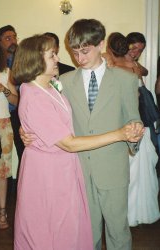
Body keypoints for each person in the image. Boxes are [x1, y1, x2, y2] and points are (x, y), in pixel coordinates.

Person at [12, 34, 143, 250]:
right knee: (51, 229)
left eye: (84, 50)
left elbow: (54, 118)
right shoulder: (49, 87)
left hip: (79, 169)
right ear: (36, 59)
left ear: (100, 45)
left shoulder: (54, 85)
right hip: (52, 172)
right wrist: (120, 134)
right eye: (52, 54)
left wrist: (27, 127)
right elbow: (64, 139)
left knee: (77, 229)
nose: (59, 58)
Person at [58, 19, 144, 250]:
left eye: (85, 51)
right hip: (79, 171)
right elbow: (55, 120)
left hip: (113, 169)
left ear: (101, 44)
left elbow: (132, 117)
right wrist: (28, 131)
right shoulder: (64, 83)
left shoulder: (126, 79)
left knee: (118, 231)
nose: (79, 58)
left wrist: (135, 133)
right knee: (88, 233)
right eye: (75, 52)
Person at [105, 32, 160, 226]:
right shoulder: (112, 62)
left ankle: (137, 211)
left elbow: (143, 72)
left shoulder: (134, 66)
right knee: (130, 169)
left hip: (141, 118)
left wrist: (132, 64)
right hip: (126, 119)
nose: (137, 52)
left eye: (140, 50)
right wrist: (126, 64)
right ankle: (125, 213)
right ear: (124, 46)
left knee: (143, 166)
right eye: (134, 48)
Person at [0, 41, 18, 229]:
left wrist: (5, 89)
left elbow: (17, 101)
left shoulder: (6, 73)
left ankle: (2, 212)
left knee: (2, 172)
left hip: (3, 126)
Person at [0, 25, 24, 164]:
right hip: (3, 115)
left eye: (14, 37)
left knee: (24, 151)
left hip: (21, 112)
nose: (13, 41)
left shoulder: (23, 61)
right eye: (8, 38)